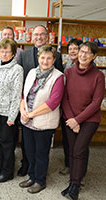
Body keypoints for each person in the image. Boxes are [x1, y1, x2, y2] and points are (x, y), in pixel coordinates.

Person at [17, 25, 64, 177]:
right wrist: (23, 110)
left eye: (42, 34)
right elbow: (24, 90)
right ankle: (30, 173)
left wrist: (30, 114)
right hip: (27, 115)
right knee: (29, 149)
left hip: (43, 116)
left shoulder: (57, 74)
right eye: (36, 34)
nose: (45, 61)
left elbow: (54, 99)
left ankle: (39, 179)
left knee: (41, 152)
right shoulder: (28, 64)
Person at [61, 41, 105, 200]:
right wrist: (72, 119)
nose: (83, 55)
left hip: (89, 120)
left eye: (88, 53)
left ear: (94, 56)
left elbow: (96, 102)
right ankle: (74, 180)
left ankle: (75, 185)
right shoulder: (69, 73)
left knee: (79, 150)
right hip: (70, 118)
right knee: (74, 151)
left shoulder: (99, 76)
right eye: (82, 51)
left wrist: (77, 120)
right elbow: (64, 98)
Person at [0, 39, 23, 183]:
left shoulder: (17, 70)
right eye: (2, 51)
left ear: (13, 54)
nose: (4, 54)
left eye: (8, 51)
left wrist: (12, 116)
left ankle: (7, 171)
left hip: (8, 114)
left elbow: (16, 95)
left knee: (7, 143)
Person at [59, 38, 83, 175]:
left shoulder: (88, 66)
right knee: (67, 140)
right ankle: (68, 164)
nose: (72, 51)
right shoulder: (66, 65)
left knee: (80, 144)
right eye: (70, 49)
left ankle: (79, 170)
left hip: (80, 111)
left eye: (75, 48)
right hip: (66, 109)